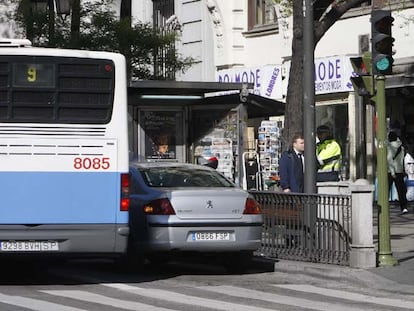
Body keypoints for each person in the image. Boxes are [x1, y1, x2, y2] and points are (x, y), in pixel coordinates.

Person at [387, 131, 408, 214]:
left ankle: (385, 206)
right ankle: (404, 207)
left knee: (386, 190)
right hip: (399, 171)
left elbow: (389, 160)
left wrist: (392, 172)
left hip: (390, 171)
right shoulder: (401, 147)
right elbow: (402, 160)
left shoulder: (389, 147)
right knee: (401, 191)